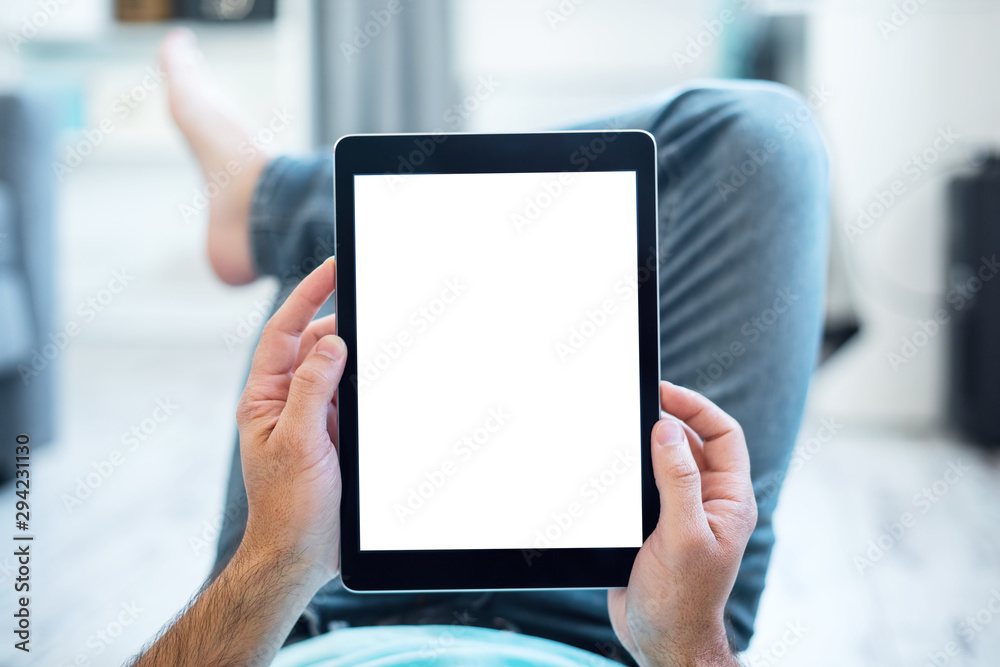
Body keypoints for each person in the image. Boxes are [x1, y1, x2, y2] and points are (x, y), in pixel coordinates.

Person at [135, 29, 829, 666]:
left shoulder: (290, 568)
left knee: (369, 253)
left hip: (312, 595)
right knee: (764, 135)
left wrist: (277, 557)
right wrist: (683, 639)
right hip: (621, 614)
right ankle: (268, 202)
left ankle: (269, 203)